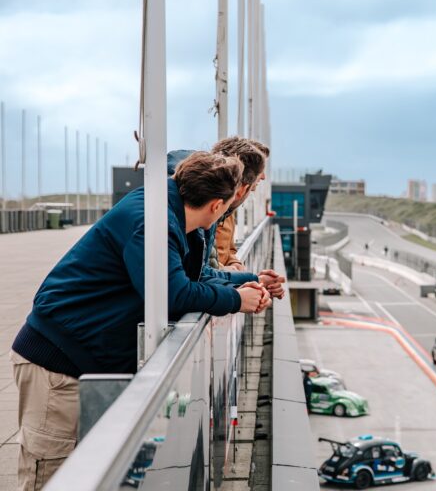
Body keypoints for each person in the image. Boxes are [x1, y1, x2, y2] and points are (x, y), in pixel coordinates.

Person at [10, 152, 270, 490]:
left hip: (84, 363)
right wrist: (236, 300)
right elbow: (173, 294)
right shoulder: (153, 222)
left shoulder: (173, 214)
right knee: (51, 477)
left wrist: (245, 282)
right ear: (217, 206)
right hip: (57, 367)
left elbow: (193, 275)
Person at [167, 138, 285, 299]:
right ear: (241, 189)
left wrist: (251, 280)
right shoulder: (199, 212)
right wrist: (237, 297)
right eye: (258, 176)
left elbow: (200, 272)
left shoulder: (195, 206)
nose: (263, 177)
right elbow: (181, 288)